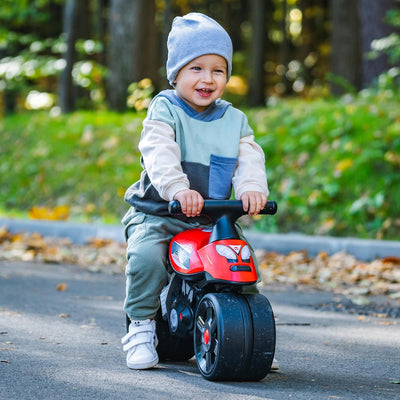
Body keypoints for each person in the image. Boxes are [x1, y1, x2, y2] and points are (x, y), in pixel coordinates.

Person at [121, 12, 275, 371]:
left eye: (218, 70)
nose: (207, 78)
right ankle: (142, 326)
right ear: (176, 73)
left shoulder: (234, 119)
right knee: (145, 258)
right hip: (160, 212)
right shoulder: (165, 108)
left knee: (240, 260)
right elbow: (158, 151)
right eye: (196, 69)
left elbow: (249, 157)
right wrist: (177, 188)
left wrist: (252, 188)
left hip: (212, 217)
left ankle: (246, 331)